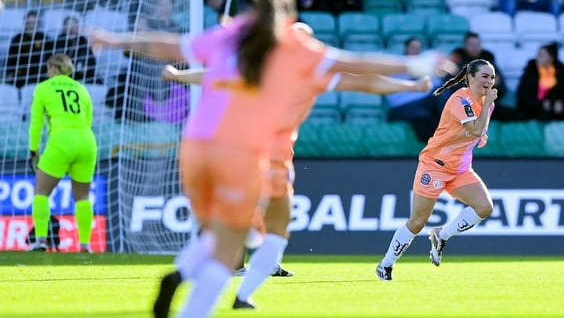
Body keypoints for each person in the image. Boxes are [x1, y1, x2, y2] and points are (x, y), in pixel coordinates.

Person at [89, 0, 450, 318]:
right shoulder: (296, 53)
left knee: (224, 232)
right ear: (289, 19)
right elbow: (357, 69)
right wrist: (413, 65)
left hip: (196, 148)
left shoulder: (230, 35)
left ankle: (210, 259)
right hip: (246, 151)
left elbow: (169, 46)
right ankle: (220, 291)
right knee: (232, 245)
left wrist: (114, 39)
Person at [157, 57, 433, 310]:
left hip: (239, 156)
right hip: (271, 161)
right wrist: (410, 82)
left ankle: (189, 272)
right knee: (274, 229)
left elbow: (214, 75)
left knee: (237, 228)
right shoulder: (308, 76)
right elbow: (364, 80)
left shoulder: (257, 71)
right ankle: (241, 293)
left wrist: (177, 74)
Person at [376, 59, 498, 281]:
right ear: (470, 78)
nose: (489, 81)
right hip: (435, 165)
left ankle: (441, 235)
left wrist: (480, 136)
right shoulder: (461, 99)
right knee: (418, 221)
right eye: (484, 76)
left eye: (491, 77)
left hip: (460, 168)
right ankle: (385, 265)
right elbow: (476, 127)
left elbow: (475, 131)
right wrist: (480, 128)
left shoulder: (487, 103)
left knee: (484, 207)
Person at [28, 54, 97, 253]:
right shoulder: (82, 89)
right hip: (87, 141)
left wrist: (34, 151)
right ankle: (85, 245)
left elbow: (36, 125)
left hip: (61, 140)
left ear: (53, 69)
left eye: (49, 68)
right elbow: (89, 120)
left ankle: (41, 241)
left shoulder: (43, 87)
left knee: (41, 193)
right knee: (82, 197)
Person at [449, 32, 522, 121]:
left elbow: (502, 88)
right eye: (471, 45)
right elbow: (453, 89)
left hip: (488, 104)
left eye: (477, 44)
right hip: (465, 106)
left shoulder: (488, 62)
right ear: (465, 46)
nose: (474, 48)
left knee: (519, 115)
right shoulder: (457, 64)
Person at [386, 37, 447, 143]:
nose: (416, 51)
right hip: (402, 106)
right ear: (406, 48)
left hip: (423, 102)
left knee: (443, 93)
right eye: (413, 48)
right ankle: (435, 142)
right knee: (422, 116)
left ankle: (450, 128)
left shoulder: (424, 66)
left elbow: (438, 85)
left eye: (418, 48)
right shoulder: (397, 64)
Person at [516, 42, 564, 120]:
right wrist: (541, 104)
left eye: (541, 55)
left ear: (551, 58)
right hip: (534, 110)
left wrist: (561, 103)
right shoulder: (530, 72)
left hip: (554, 111)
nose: (538, 58)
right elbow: (523, 97)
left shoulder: (560, 73)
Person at [6, 10, 52, 89]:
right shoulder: (17, 39)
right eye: (29, 22)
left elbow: (50, 56)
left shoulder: (44, 38)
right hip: (21, 74)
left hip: (39, 73)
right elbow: (11, 58)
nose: (31, 25)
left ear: (38, 23)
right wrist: (9, 73)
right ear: (25, 23)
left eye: (34, 22)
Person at [51, 16, 99, 83]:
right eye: (68, 25)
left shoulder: (82, 40)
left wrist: (86, 67)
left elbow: (91, 60)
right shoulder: (59, 41)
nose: (71, 28)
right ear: (64, 28)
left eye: (73, 25)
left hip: (82, 74)